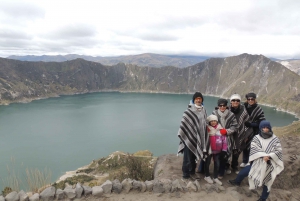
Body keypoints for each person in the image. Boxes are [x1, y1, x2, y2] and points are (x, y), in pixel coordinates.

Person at [227, 120, 284, 201]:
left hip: (269, 163)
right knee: (242, 173)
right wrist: (263, 156)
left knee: (268, 181)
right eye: (263, 127)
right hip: (257, 162)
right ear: (261, 128)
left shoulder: (275, 139)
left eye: (267, 127)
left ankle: (263, 198)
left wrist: (269, 156)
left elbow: (278, 150)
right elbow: (254, 149)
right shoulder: (256, 138)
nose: (265, 129)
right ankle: (237, 182)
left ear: (270, 128)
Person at [177, 92, 209, 183]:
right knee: (187, 158)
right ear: (194, 99)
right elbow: (184, 124)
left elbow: (204, 123)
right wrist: (186, 136)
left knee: (194, 158)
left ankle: (192, 172)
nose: (198, 100)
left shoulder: (203, 110)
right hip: (189, 139)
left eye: (200, 98)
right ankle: (185, 175)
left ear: (202, 100)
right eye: (197, 98)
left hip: (199, 139)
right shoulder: (188, 111)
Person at [211, 98, 238, 179]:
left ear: (226, 106)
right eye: (220, 105)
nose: (222, 107)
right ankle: (217, 170)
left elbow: (235, 126)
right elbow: (210, 124)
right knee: (216, 155)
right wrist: (217, 130)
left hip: (227, 138)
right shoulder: (214, 113)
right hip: (217, 138)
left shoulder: (231, 114)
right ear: (218, 106)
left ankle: (222, 171)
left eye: (224, 105)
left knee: (225, 154)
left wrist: (227, 131)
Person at [228, 93, 252, 174]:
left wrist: (246, 135)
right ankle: (227, 166)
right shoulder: (227, 110)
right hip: (229, 134)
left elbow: (247, 123)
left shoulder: (244, 111)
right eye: (233, 100)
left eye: (237, 100)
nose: (235, 102)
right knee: (228, 151)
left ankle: (234, 166)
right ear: (230, 101)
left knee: (237, 152)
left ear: (239, 101)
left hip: (240, 135)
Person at [240, 92, 265, 167]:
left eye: (252, 99)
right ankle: (244, 161)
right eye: (249, 99)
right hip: (244, 130)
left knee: (252, 146)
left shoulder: (258, 109)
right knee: (245, 145)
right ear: (247, 100)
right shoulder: (243, 107)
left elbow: (261, 121)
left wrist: (250, 124)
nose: (250, 100)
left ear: (255, 100)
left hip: (254, 131)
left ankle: (250, 161)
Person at [203, 114, 227, 185]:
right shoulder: (207, 129)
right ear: (209, 122)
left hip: (218, 150)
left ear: (217, 121)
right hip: (209, 150)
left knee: (217, 164)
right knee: (207, 163)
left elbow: (224, 141)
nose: (213, 122)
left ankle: (215, 177)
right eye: (211, 121)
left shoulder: (221, 130)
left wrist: (224, 150)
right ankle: (207, 176)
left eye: (215, 121)